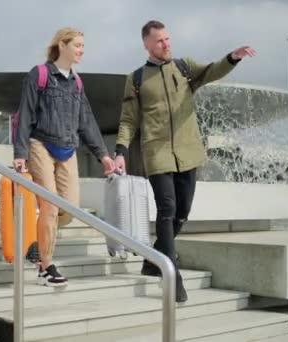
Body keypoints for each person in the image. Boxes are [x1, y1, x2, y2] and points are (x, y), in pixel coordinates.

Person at [114, 20, 256, 302]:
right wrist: (120, 151)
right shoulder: (138, 78)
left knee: (182, 213)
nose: (166, 44)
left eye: (168, 39)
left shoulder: (184, 66)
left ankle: (152, 258)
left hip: (188, 151)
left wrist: (233, 58)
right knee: (166, 209)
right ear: (146, 44)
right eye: (159, 41)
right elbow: (129, 120)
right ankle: (172, 275)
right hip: (157, 153)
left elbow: (213, 71)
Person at [13, 27, 116, 287]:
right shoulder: (40, 74)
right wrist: (20, 153)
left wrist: (103, 155)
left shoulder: (76, 83)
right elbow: (24, 115)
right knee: (49, 205)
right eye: (78, 45)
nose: (81, 50)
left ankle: (40, 239)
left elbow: (87, 122)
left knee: (68, 209)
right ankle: (45, 266)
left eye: (83, 46)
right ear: (62, 45)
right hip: (41, 145)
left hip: (68, 148)